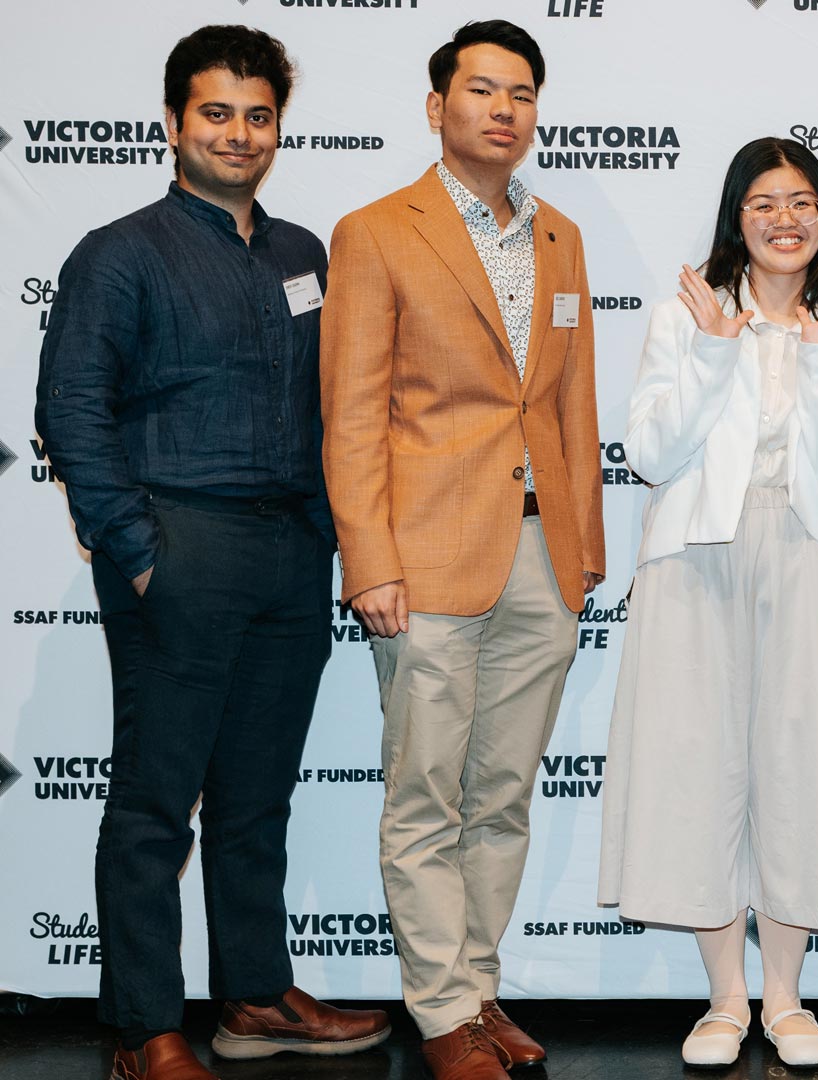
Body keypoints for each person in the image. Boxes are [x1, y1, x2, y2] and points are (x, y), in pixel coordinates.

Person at [33, 25, 391, 1080]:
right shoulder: (120, 252)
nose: (239, 134)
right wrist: (139, 550)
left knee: (257, 798)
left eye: (259, 114)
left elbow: (341, 405)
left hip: (291, 556)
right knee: (155, 801)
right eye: (217, 113)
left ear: (280, 126)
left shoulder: (302, 256)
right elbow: (70, 411)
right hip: (178, 547)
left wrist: (328, 535)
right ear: (175, 123)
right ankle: (146, 1030)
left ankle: (254, 997)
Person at [319, 20, 604, 1080]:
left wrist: (584, 555)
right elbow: (350, 415)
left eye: (521, 92)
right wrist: (371, 560)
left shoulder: (562, 236)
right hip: (427, 555)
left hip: (544, 557)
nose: (503, 108)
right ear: (436, 107)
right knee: (426, 794)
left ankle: (478, 992)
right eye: (482, 90)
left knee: (502, 794)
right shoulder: (377, 229)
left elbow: (571, 403)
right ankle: (441, 1014)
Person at [596, 137, 818, 1069]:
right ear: (736, 215)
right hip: (694, 559)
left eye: (803, 202)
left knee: (799, 764)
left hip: (799, 554)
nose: (786, 219)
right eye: (764, 202)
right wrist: (717, 355)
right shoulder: (690, 313)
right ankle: (725, 998)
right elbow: (650, 453)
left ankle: (788, 1001)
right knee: (698, 768)